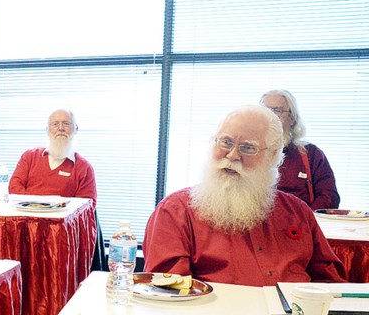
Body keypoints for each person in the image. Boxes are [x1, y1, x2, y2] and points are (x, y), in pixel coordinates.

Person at [144, 105, 345, 286]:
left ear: (273, 156)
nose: (232, 155)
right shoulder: (174, 212)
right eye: (225, 142)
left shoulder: (297, 211)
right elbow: (169, 292)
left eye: (248, 147)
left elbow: (330, 284)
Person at [260, 89, 339, 210]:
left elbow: (329, 197)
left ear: (292, 119)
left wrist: (304, 219)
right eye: (264, 110)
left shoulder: (311, 154)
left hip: (301, 224)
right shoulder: (245, 153)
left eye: (277, 110)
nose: (269, 116)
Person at [8, 108, 96, 201]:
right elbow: (14, 188)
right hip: (26, 213)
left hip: (62, 215)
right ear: (47, 130)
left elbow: (86, 206)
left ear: (76, 129)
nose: (61, 128)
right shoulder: (29, 157)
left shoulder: (84, 168)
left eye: (66, 123)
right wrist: (36, 207)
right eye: (55, 124)